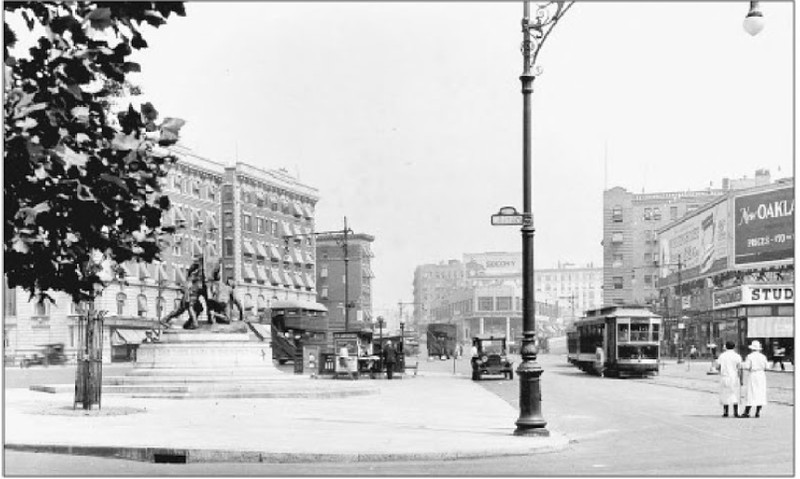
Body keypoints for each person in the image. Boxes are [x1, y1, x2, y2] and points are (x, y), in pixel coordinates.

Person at [741, 340, 768, 418]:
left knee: (751, 392)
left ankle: (747, 412)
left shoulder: (750, 356)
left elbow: (747, 366)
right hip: (761, 375)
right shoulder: (763, 356)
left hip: (753, 374)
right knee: (761, 392)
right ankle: (757, 412)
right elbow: (767, 366)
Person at [716, 341, 742, 417]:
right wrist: (741, 379)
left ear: (726, 347)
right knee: (735, 394)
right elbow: (739, 368)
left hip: (724, 376)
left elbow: (718, 366)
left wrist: (720, 371)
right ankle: (736, 412)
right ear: (734, 347)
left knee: (725, 393)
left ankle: (726, 412)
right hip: (734, 377)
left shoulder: (722, 356)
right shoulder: (737, 356)